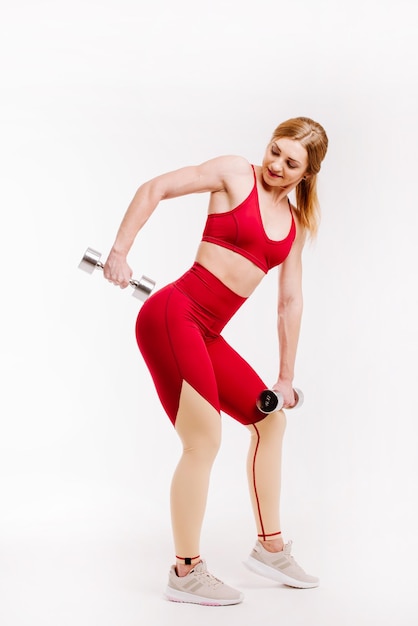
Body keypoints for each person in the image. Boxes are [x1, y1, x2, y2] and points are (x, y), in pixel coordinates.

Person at [103, 116, 328, 606]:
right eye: (275, 151)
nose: (276, 165)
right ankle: (186, 570)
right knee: (203, 439)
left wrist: (286, 376)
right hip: (173, 314)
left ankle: (270, 548)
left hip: (208, 333)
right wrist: (119, 252)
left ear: (307, 174)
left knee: (271, 422)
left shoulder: (294, 226)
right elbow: (156, 186)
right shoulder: (234, 173)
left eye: (291, 163)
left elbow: (290, 302)